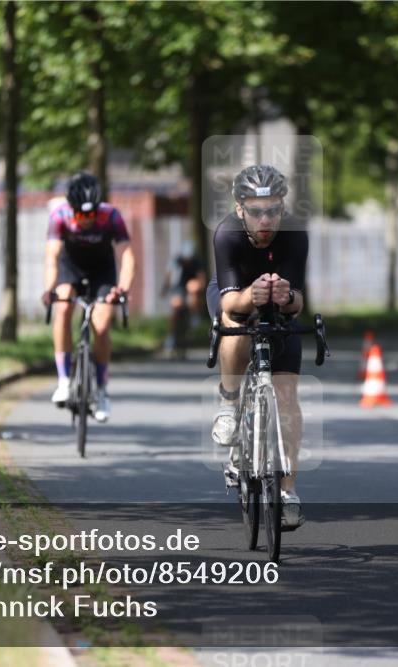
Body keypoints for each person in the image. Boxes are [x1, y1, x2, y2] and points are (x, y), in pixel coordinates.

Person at [207, 165, 307, 529]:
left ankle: (288, 491)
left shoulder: (295, 233)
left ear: (282, 208)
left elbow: (298, 303)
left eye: (273, 210)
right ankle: (230, 402)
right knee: (236, 325)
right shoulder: (227, 234)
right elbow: (231, 304)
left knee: (287, 398)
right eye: (256, 210)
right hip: (233, 295)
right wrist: (253, 295)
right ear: (239, 209)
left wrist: (287, 297)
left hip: (275, 302)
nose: (265, 219)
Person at [42, 172, 136, 422]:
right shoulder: (59, 216)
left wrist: (123, 288)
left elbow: (126, 254)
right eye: (80, 214)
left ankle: (102, 391)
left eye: (90, 214)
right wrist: (49, 288)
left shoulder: (112, 216)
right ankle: (63, 380)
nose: (86, 219)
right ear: (71, 209)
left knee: (102, 326)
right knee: (62, 310)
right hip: (69, 269)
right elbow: (52, 256)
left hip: (102, 273)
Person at [162, 240, 206, 355]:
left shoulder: (197, 261)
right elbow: (169, 275)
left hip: (191, 285)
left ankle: (194, 316)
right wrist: (165, 289)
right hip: (179, 286)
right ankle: (171, 336)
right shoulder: (177, 260)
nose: (187, 262)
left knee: (193, 288)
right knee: (176, 305)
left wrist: (199, 286)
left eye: (189, 260)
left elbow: (201, 279)